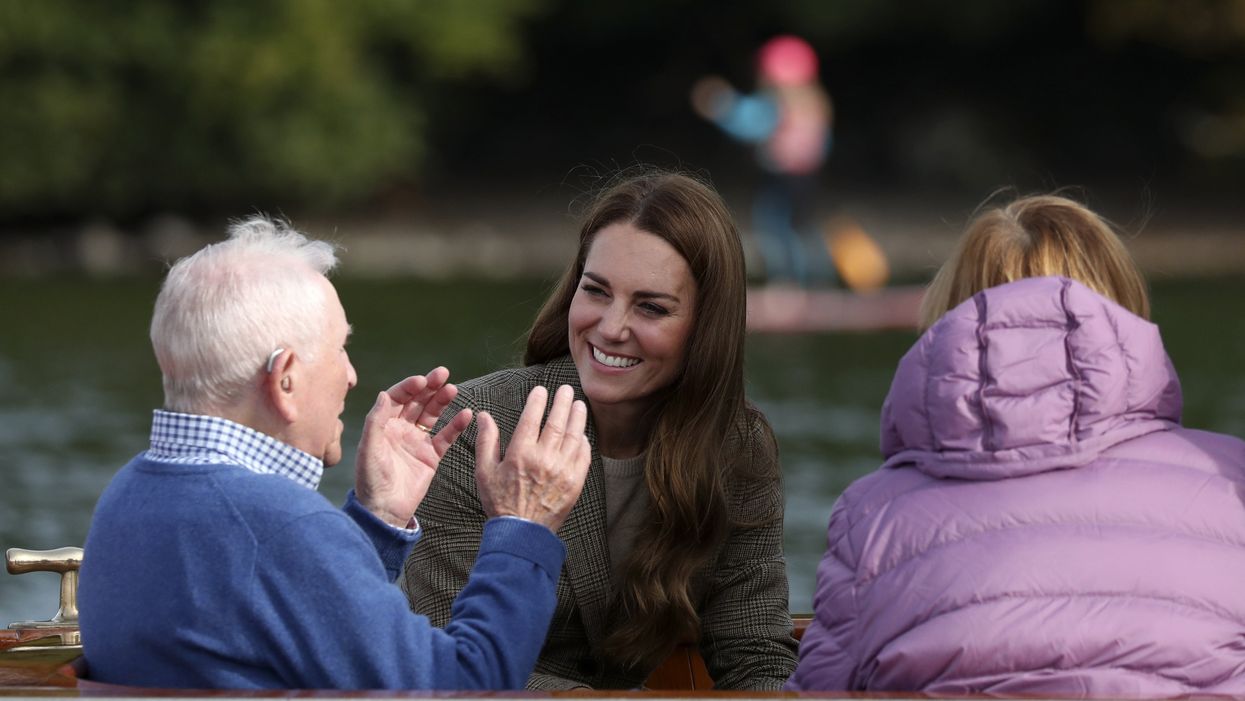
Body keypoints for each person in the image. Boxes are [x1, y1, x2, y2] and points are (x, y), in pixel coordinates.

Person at [78, 216, 592, 690]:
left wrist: (379, 520)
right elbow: (466, 686)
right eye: (340, 349)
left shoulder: (126, 497)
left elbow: (274, 623)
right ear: (285, 379)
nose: (350, 375)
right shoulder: (278, 525)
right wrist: (525, 525)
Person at [786, 194, 1245, 696]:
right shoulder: (1231, 480)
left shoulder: (868, 517)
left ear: (949, 315)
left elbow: (819, 693)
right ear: (1125, 313)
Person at [405, 170, 798, 690]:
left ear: (707, 328)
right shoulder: (478, 425)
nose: (611, 327)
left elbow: (753, 653)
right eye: (596, 292)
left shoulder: (738, 447)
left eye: (651, 307)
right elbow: (440, 655)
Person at [691, 35, 834, 287]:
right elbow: (823, 146)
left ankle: (790, 282)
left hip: (783, 178)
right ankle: (818, 280)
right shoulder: (816, 103)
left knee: (775, 223)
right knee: (804, 227)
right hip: (808, 178)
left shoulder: (780, 104)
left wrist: (719, 104)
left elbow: (749, 123)